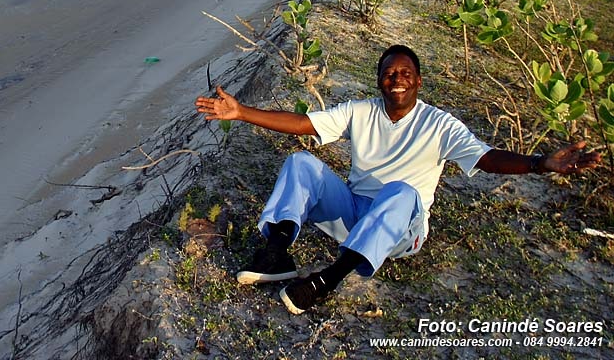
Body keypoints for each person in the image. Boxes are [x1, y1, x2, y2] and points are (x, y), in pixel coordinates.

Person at [195, 44, 602, 314]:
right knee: (301, 163)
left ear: (419, 81)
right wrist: (242, 111)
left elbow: (487, 157)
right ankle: (276, 254)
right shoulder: (362, 111)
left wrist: (540, 164)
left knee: (402, 191)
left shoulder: (440, 124)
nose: (397, 78)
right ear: (380, 82)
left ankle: (326, 281)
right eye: (389, 73)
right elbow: (305, 123)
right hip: (354, 215)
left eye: (406, 72)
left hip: (401, 229)